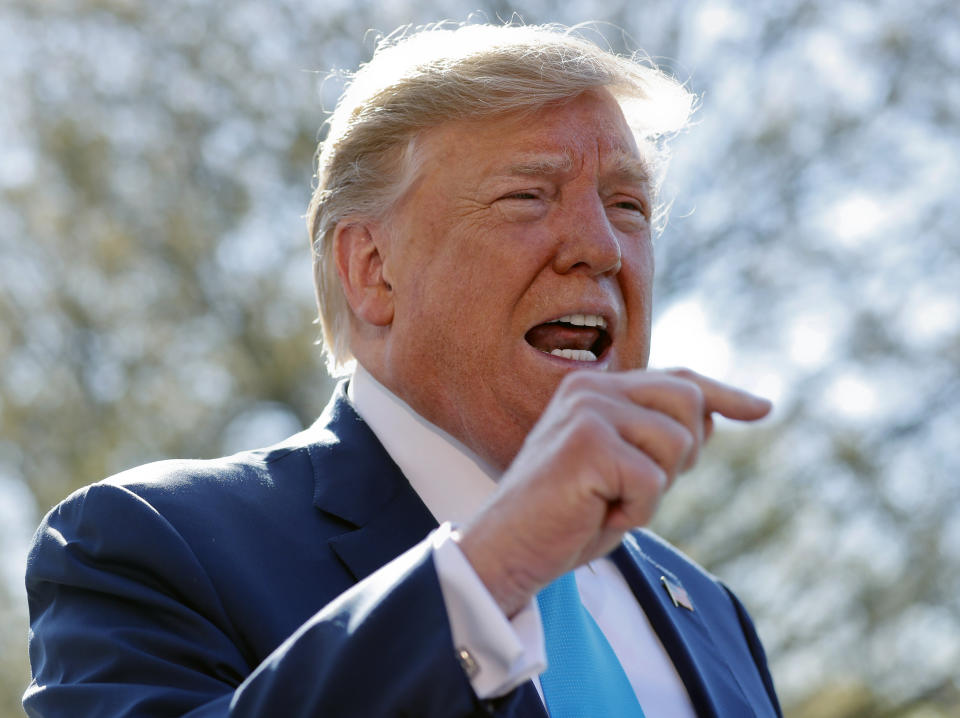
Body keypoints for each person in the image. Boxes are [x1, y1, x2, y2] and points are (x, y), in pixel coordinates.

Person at [24, 22, 783, 718]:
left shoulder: (712, 614)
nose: (602, 247)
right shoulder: (149, 544)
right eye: (528, 196)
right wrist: (494, 567)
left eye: (627, 205)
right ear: (372, 269)